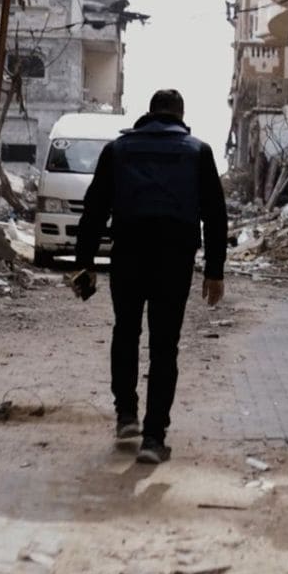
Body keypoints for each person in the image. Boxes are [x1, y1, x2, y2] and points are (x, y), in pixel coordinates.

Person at [74, 89, 227, 464]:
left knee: (125, 331)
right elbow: (215, 214)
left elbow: (94, 209)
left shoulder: (118, 150)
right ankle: (154, 438)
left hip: (128, 253)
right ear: (180, 114)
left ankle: (126, 415)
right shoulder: (197, 152)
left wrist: (84, 264)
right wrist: (214, 270)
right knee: (164, 345)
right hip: (174, 259)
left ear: (149, 113)